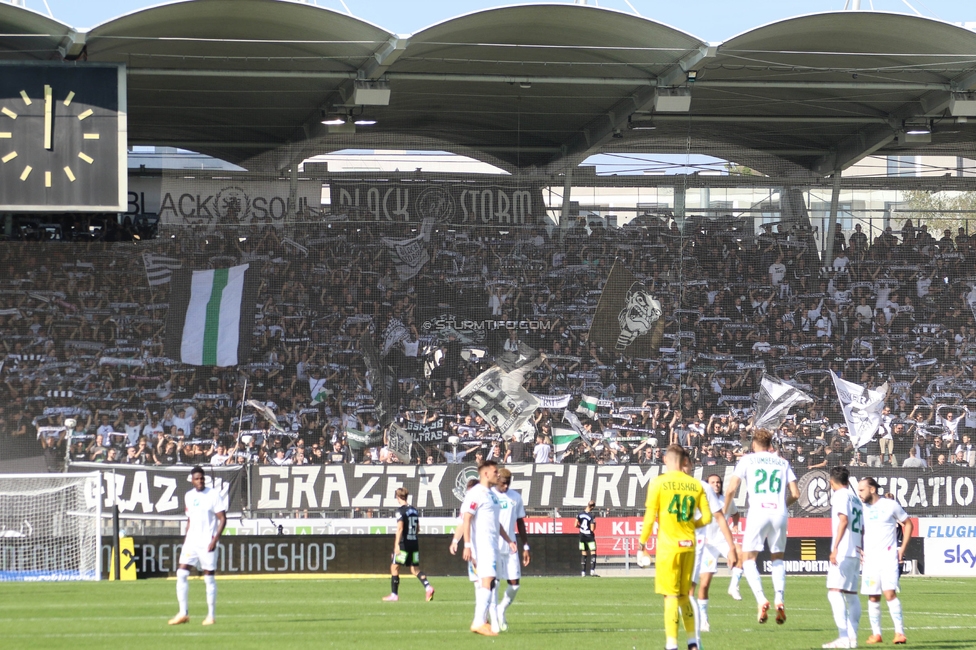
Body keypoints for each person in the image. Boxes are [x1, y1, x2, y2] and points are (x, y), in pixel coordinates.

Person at [637, 445, 712, 650]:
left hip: (669, 548)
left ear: (665, 460)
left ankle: (671, 645)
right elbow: (707, 517)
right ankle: (693, 642)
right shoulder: (696, 485)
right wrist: (690, 524)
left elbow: (650, 517)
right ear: (684, 462)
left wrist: (642, 543)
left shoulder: (658, 483)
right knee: (684, 595)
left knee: (670, 595)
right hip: (689, 545)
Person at [724, 427, 799, 625]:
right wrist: (783, 504)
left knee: (748, 559)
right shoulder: (783, 462)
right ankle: (779, 598)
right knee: (778, 558)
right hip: (779, 512)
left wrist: (724, 511)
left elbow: (731, 488)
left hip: (758, 511)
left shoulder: (747, 460)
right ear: (770, 444)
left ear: (754, 444)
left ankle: (761, 599)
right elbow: (796, 494)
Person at [449, 461, 517, 637]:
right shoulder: (476, 493)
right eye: (495, 472)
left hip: (493, 545)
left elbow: (496, 522)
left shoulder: (492, 495)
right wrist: (467, 545)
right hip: (482, 546)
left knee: (488, 582)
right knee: (487, 581)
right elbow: (467, 519)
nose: (498, 475)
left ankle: (481, 621)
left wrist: (509, 540)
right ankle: (479, 621)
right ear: (486, 474)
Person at [168, 466, 227, 626]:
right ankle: (183, 613)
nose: (200, 481)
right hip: (191, 542)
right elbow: (190, 518)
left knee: (209, 577)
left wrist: (215, 540)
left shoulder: (213, 495)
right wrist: (187, 537)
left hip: (208, 541)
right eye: (197, 478)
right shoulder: (188, 496)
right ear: (192, 480)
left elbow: (222, 518)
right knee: (181, 573)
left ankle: (211, 616)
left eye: (202, 478)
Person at [857, 477, 911, 645]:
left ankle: (899, 633)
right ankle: (876, 634)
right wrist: (858, 548)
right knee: (873, 597)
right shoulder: (861, 509)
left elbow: (908, 524)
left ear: (872, 489)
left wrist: (902, 549)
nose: (859, 493)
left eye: (862, 490)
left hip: (888, 559)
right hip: (870, 561)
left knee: (889, 594)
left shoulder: (890, 505)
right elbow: (856, 529)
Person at [823, 466, 863, 649]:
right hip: (855, 550)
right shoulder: (856, 498)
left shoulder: (839, 496)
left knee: (834, 592)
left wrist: (835, 548)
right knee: (851, 594)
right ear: (848, 481)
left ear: (832, 482)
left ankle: (843, 637)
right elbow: (862, 527)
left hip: (844, 551)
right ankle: (852, 638)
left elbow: (844, 520)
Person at [695, 473, 739, 633]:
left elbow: (735, 513)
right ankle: (704, 620)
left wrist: (735, 525)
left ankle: (733, 586)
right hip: (707, 545)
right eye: (713, 482)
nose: (717, 485)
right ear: (707, 485)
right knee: (704, 584)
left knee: (740, 553)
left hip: (722, 541)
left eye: (719, 482)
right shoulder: (700, 500)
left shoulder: (725, 501)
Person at [492, 468, 531, 631]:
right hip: (492, 545)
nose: (506, 487)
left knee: (514, 585)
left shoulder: (515, 497)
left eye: (508, 484)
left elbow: (520, 522)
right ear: (497, 480)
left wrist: (526, 546)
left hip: (511, 547)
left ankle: (501, 609)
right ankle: (493, 619)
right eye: (503, 483)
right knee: (494, 583)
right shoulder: (490, 495)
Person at [382, 487, 434, 603]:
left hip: (404, 544)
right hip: (414, 543)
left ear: (397, 497)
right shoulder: (414, 510)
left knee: (394, 567)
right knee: (415, 569)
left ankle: (394, 594)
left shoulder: (400, 511)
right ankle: (428, 587)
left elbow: (400, 528)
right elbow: (418, 528)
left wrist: (396, 545)